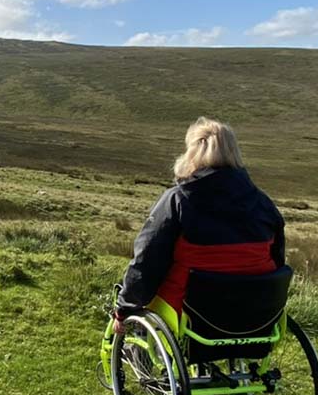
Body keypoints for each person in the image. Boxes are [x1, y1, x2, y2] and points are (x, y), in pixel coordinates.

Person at [113, 117, 284, 333]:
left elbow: (147, 260)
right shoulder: (264, 203)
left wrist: (125, 307)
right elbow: (278, 258)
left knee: (149, 305)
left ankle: (140, 358)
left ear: (191, 153)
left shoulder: (178, 200)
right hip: (255, 312)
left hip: (189, 314)